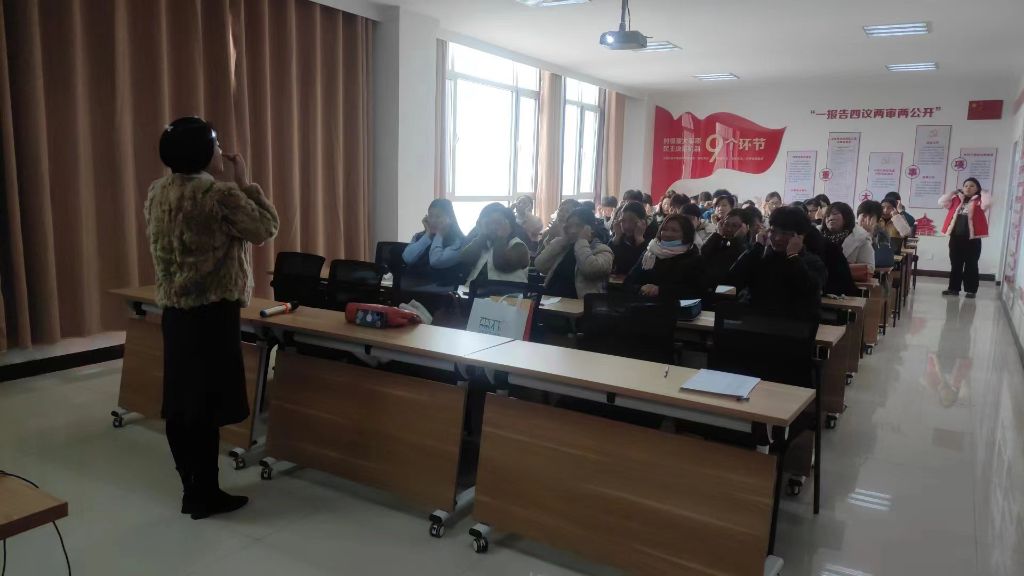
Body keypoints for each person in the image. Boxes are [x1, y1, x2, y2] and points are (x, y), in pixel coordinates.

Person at [146, 117, 279, 519]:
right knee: (205, 407)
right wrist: (246, 183)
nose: (221, 151)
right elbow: (265, 228)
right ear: (203, 152)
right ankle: (205, 494)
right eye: (217, 145)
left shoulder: (158, 191)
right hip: (212, 312)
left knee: (181, 403)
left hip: (175, 311)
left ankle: (191, 487)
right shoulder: (219, 194)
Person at [729, 206, 826, 321]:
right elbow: (733, 280)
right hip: (756, 323)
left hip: (794, 325)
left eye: (785, 233)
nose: (778, 238)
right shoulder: (762, 256)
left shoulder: (812, 262)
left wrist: (793, 256)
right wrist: (757, 247)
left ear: (801, 236)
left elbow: (808, 289)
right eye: (773, 231)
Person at [535, 208, 613, 299]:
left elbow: (590, 270)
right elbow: (540, 265)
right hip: (551, 299)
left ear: (591, 228)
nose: (573, 230)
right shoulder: (564, 247)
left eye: (578, 225)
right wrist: (562, 240)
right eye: (569, 226)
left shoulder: (603, 250)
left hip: (581, 303)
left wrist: (582, 240)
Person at [626, 214, 705, 301]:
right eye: (664, 229)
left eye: (674, 230)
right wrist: (640, 288)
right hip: (642, 303)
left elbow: (695, 291)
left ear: (686, 234)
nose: (668, 234)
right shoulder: (650, 252)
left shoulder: (693, 258)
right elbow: (629, 281)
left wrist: (659, 290)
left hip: (674, 306)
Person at [940, 177, 991, 298]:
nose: (968, 188)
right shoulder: (956, 200)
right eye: (966, 186)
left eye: (972, 186)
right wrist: (952, 193)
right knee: (955, 264)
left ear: (977, 188)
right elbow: (941, 202)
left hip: (972, 239)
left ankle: (971, 290)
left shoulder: (979, 201)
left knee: (971, 265)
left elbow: (988, 203)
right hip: (956, 238)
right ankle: (953, 289)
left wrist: (983, 192)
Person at [402, 198, 467, 288]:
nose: (433, 221)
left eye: (438, 217)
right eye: (430, 216)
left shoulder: (458, 241)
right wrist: (427, 235)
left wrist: (439, 234)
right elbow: (408, 258)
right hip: (414, 287)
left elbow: (435, 261)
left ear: (450, 219)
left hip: (442, 289)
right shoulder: (420, 236)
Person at [460, 203, 531, 283]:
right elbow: (465, 260)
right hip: (474, 288)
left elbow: (501, 265)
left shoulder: (519, 246)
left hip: (507, 290)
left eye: (497, 222)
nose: (492, 227)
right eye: (488, 223)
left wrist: (502, 236)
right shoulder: (485, 242)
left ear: (509, 224)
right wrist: (482, 236)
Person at [701, 208, 751, 293]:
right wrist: (718, 234)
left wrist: (737, 240)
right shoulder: (719, 241)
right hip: (708, 292)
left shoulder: (747, 249)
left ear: (744, 228)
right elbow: (703, 253)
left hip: (729, 295)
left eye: (734, 226)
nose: (729, 229)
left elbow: (735, 289)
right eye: (726, 224)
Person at [821, 201, 875, 272]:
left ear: (846, 216)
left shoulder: (861, 238)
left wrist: (842, 267)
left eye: (835, 214)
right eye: (827, 215)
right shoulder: (817, 236)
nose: (830, 218)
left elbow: (869, 269)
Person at [610, 201, 650, 276]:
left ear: (642, 222)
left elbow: (643, 269)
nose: (627, 226)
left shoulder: (651, 240)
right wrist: (617, 237)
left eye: (632, 220)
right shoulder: (618, 236)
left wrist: (639, 239)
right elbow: (608, 261)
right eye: (623, 221)